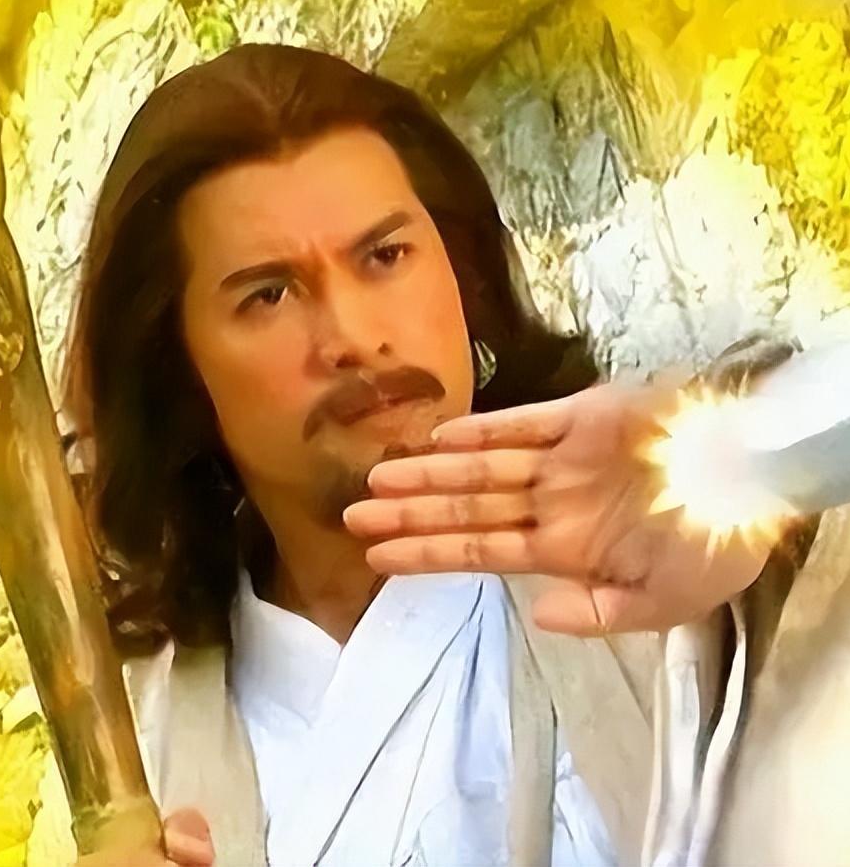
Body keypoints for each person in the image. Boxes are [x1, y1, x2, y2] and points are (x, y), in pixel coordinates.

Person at [49, 43, 772, 867]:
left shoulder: (667, 563)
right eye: (269, 295)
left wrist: (747, 475)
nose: (355, 338)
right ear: (178, 374)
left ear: (459, 272)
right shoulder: (134, 755)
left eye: (386, 256)